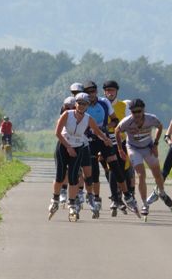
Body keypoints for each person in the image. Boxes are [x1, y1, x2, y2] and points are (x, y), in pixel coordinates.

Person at [49, 92, 113, 221]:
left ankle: (72, 203)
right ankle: (55, 200)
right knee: (60, 175)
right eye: (79, 103)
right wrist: (68, 147)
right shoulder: (67, 114)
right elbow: (57, 133)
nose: (81, 106)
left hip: (77, 147)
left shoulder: (88, 118)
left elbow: (97, 131)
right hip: (63, 146)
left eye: (84, 104)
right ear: (76, 104)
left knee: (73, 177)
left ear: (87, 106)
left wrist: (106, 139)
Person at [115, 98, 172, 217]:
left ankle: (162, 193)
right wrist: (120, 149)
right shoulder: (127, 121)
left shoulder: (151, 118)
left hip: (148, 147)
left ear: (143, 110)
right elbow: (117, 130)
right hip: (133, 148)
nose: (136, 114)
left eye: (139, 111)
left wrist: (155, 144)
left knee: (157, 174)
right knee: (141, 175)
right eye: (133, 112)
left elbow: (160, 126)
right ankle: (145, 204)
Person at [82, 81, 132, 213]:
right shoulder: (82, 104)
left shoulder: (114, 104)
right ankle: (98, 197)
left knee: (118, 169)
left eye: (93, 91)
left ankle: (123, 196)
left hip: (112, 140)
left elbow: (121, 122)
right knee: (97, 172)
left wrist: (104, 128)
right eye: (88, 92)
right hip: (92, 141)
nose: (91, 94)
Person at [102, 80, 134, 215]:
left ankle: (123, 196)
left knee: (122, 170)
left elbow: (130, 124)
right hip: (105, 141)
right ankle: (115, 198)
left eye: (112, 90)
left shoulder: (123, 106)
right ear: (104, 92)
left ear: (116, 92)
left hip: (121, 141)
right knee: (110, 170)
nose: (110, 93)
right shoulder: (101, 105)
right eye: (108, 90)